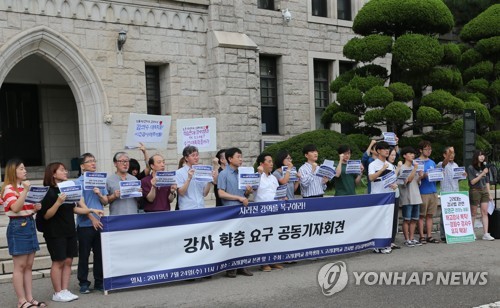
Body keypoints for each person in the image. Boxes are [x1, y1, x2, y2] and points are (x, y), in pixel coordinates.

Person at [39, 162, 104, 302]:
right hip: (55, 232)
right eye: (62, 170)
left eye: (65, 170)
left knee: (68, 261)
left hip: (69, 229)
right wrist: (58, 202)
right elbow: (46, 215)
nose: (66, 172)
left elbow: (74, 209)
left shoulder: (67, 188)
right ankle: (57, 293)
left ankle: (65, 290)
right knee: (58, 261)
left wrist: (92, 210)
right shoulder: (48, 192)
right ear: (53, 173)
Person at [1, 159, 46, 308]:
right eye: (21, 168)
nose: (25, 171)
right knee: (19, 266)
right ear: (13, 171)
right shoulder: (8, 189)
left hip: (29, 223)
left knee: (28, 265)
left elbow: (25, 208)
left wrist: (35, 208)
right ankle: (21, 301)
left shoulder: (21, 187)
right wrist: (26, 191)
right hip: (18, 226)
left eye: (24, 168)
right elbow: (15, 208)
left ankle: (30, 298)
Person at [217, 147, 253, 278]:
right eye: (238, 156)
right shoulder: (223, 174)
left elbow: (245, 194)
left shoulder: (242, 174)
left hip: (242, 209)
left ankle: (242, 266)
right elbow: (221, 193)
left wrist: (248, 191)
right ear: (230, 159)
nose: (241, 159)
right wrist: (238, 198)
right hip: (230, 210)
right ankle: (230, 267)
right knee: (232, 239)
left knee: (242, 238)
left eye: (241, 156)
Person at [75, 153, 108, 294]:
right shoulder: (78, 182)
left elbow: (105, 202)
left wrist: (99, 194)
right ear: (82, 166)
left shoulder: (100, 180)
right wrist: (91, 217)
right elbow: (78, 203)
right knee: (84, 255)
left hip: (100, 223)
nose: (93, 163)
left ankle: (99, 282)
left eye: (94, 161)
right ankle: (83, 282)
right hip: (85, 225)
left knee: (100, 255)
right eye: (89, 161)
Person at [254, 153, 284, 272]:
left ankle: (273, 260)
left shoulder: (273, 178)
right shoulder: (256, 176)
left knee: (274, 235)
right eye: (269, 161)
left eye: (272, 161)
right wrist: (259, 174)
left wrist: (282, 198)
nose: (271, 164)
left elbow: (277, 193)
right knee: (264, 236)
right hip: (262, 211)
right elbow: (251, 189)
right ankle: (264, 262)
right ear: (262, 164)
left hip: (275, 210)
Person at [368, 141, 398, 254]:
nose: (387, 151)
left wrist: (395, 185)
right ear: (378, 151)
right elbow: (371, 178)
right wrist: (381, 170)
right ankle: (376, 244)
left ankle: (385, 243)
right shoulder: (373, 164)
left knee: (387, 221)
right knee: (377, 221)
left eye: (388, 149)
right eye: (384, 149)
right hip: (377, 196)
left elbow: (393, 181)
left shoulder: (390, 165)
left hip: (388, 196)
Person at [437, 146, 466, 242]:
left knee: (454, 214)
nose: (451, 155)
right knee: (445, 214)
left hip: (455, 191)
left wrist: (463, 175)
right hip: (446, 192)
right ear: (444, 155)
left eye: (453, 153)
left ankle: (455, 233)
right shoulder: (441, 164)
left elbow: (457, 178)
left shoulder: (456, 165)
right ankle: (444, 235)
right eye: (449, 153)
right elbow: (444, 164)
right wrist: (450, 152)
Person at [397, 147, 423, 248]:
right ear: (404, 156)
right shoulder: (401, 168)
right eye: (410, 153)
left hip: (416, 196)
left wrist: (420, 176)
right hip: (407, 197)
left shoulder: (414, 167)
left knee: (414, 219)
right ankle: (406, 239)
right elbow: (407, 181)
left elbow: (417, 182)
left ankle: (412, 238)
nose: (412, 155)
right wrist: (415, 169)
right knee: (406, 219)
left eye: (413, 153)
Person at [468, 150, 495, 241]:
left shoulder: (485, 167)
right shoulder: (471, 168)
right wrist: (482, 174)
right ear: (476, 157)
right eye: (480, 155)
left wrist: (489, 193)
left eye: (483, 155)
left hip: (484, 191)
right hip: (475, 190)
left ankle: (486, 233)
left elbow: (487, 181)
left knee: (484, 212)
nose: (482, 157)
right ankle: (471, 232)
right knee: (474, 212)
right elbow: (472, 181)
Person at [417, 140, 440, 244]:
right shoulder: (417, 162)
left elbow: (435, 176)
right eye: (426, 149)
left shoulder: (432, 162)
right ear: (421, 150)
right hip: (422, 191)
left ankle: (429, 236)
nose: (429, 151)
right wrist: (423, 176)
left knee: (430, 215)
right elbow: (415, 179)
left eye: (430, 149)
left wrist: (440, 174)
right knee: (421, 215)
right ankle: (421, 236)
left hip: (433, 191)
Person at [176, 146, 212, 210]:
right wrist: (189, 178)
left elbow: (205, 193)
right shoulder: (179, 172)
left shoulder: (201, 171)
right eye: (193, 155)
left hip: (200, 207)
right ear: (186, 158)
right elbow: (181, 192)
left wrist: (209, 180)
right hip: (187, 208)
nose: (196, 158)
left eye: (197, 155)